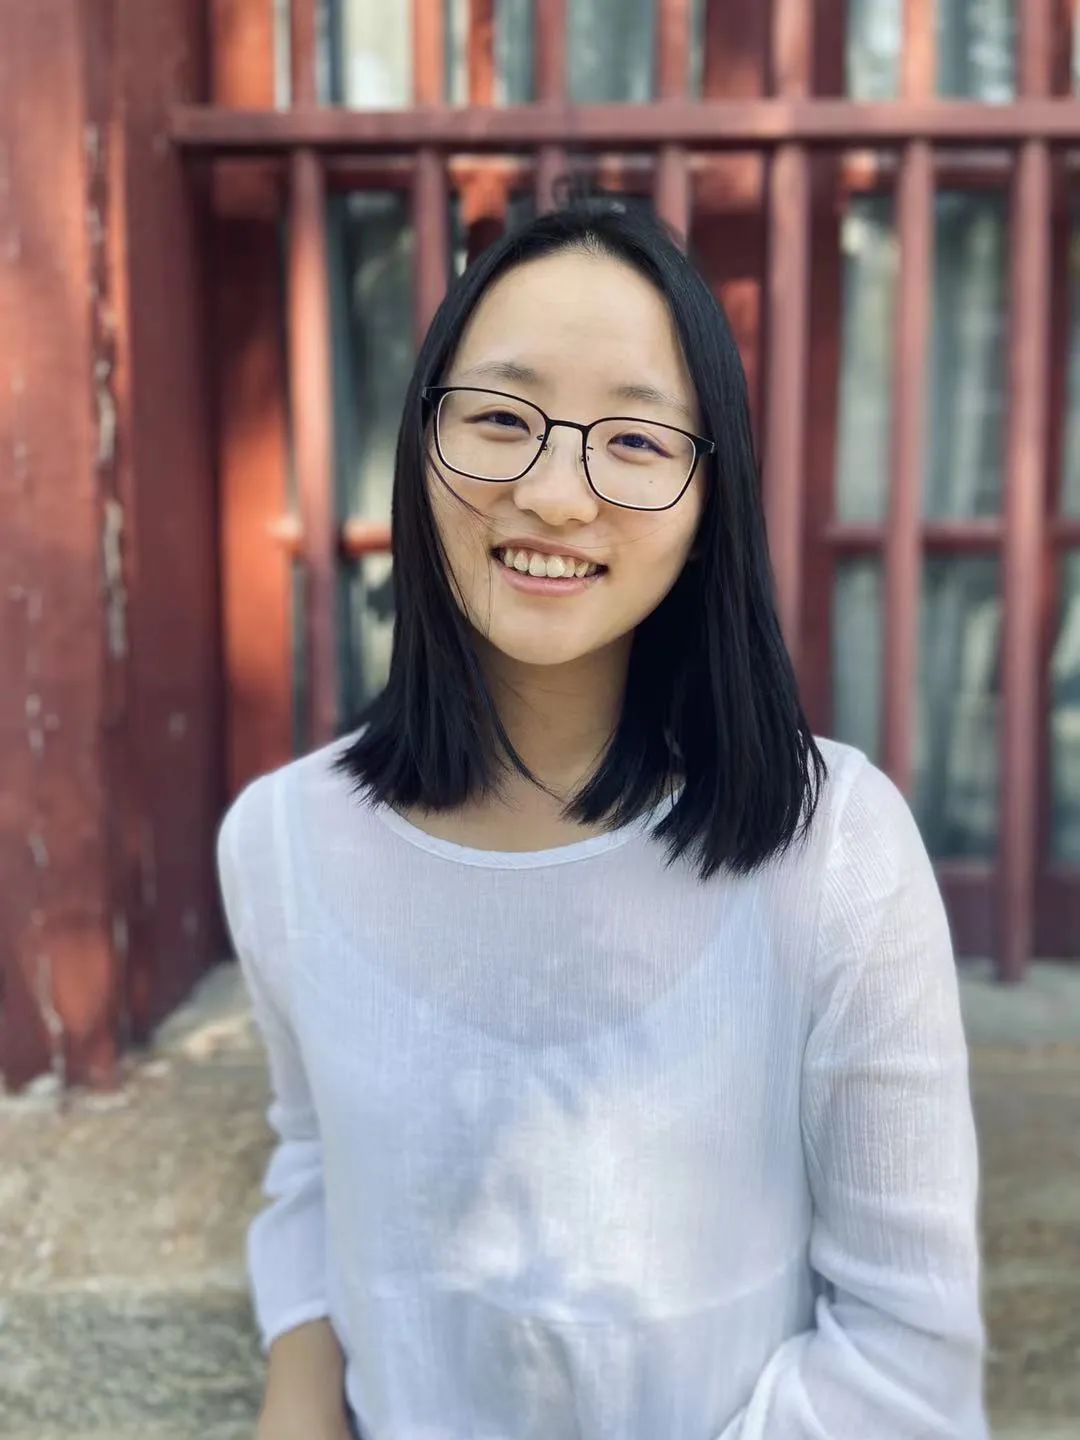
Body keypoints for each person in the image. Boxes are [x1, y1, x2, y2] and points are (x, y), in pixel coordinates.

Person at [217, 189, 990, 1440]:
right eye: (500, 418)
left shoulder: (834, 848)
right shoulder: (282, 846)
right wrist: (296, 1400)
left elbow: (909, 1367)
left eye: (633, 439)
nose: (556, 495)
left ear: (709, 497)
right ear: (420, 445)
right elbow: (315, 1159)